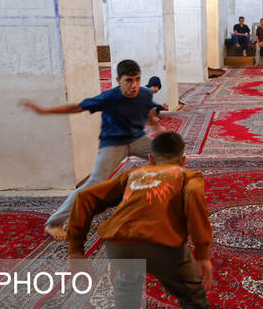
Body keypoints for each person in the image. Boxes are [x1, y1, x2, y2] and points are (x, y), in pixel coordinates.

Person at [67, 132, 214, 309]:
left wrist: (76, 249)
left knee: (127, 282)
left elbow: (84, 197)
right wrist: (202, 254)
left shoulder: (133, 174)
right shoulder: (187, 176)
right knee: (194, 301)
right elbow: (194, 200)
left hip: (118, 245)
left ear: (151, 159)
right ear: (182, 160)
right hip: (163, 247)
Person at [21, 59, 164, 241]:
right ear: (118, 80)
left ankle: (151, 201)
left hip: (137, 139)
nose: (134, 85)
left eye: (137, 79)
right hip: (113, 143)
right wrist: (44, 111)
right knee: (94, 183)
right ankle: (54, 223)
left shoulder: (145, 93)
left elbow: (148, 108)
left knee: (168, 155)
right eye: (129, 80)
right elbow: (77, 107)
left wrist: (156, 127)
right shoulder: (109, 97)